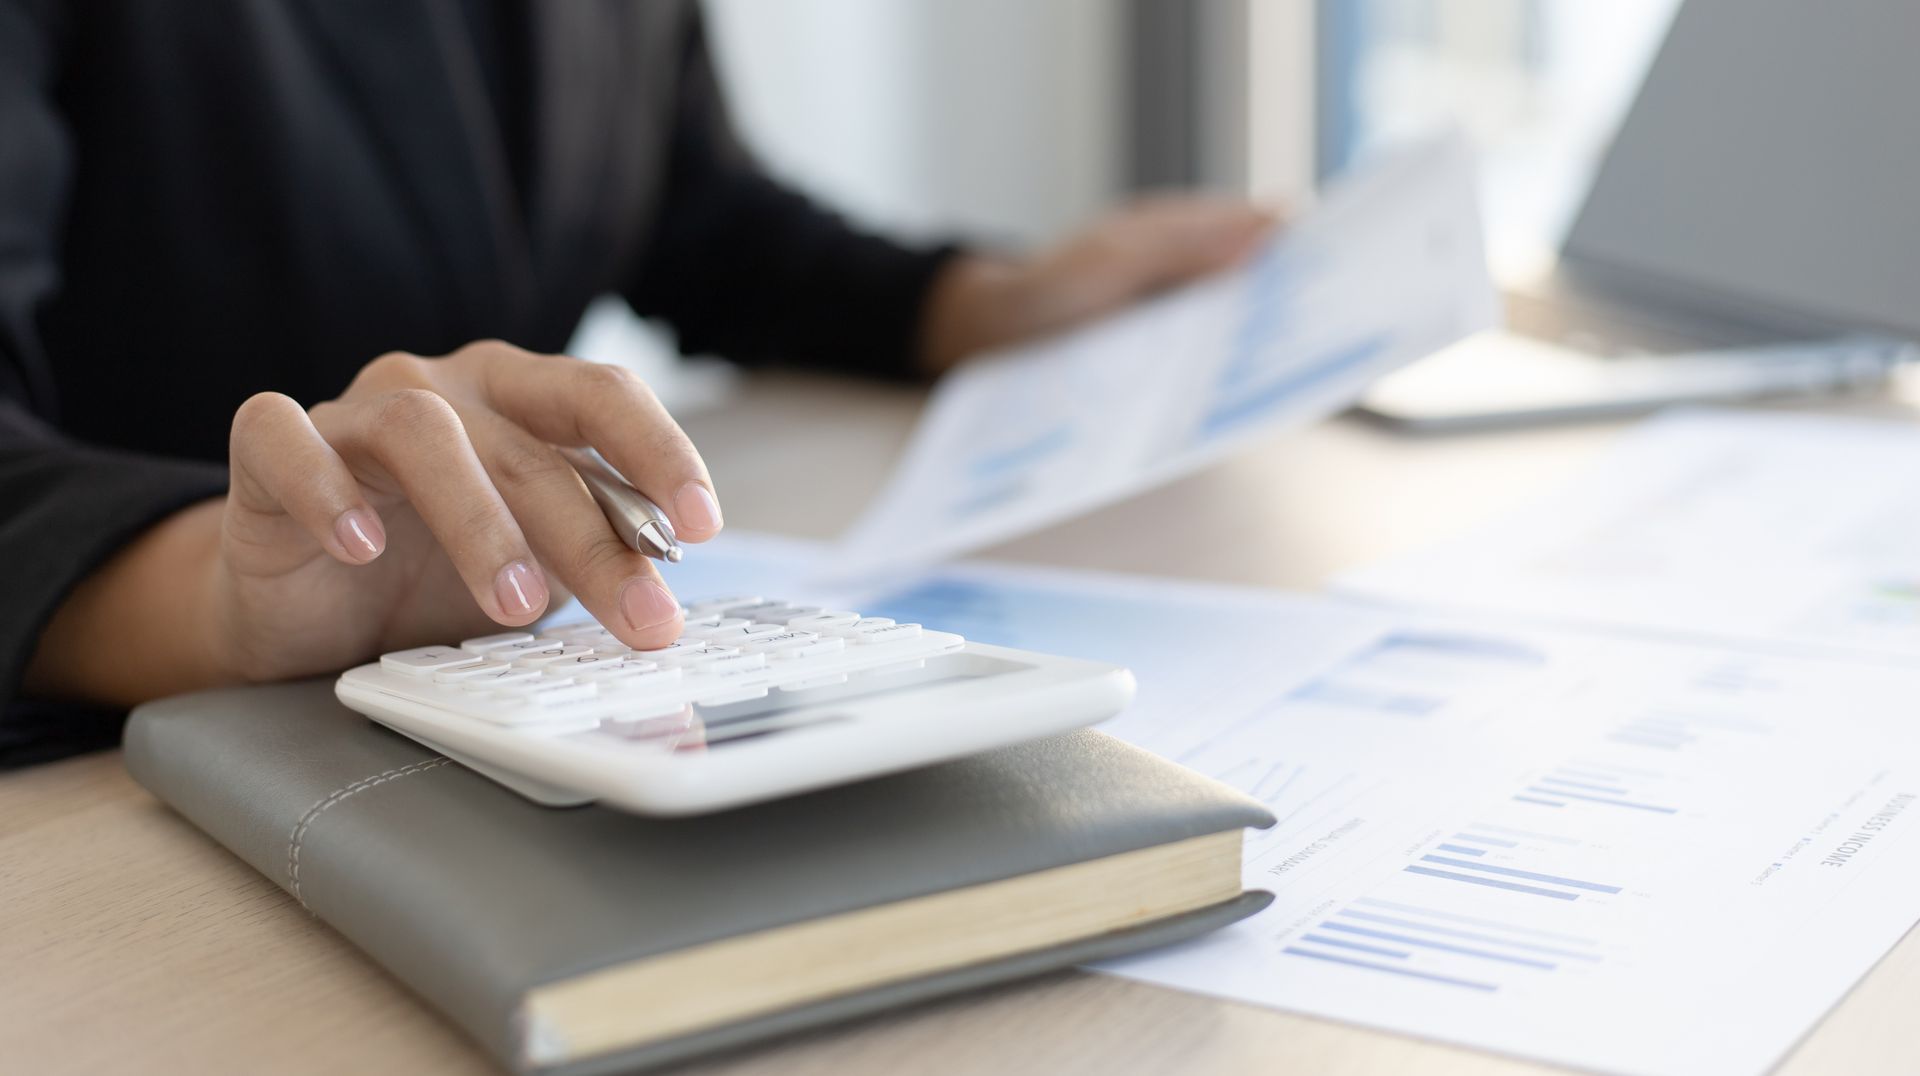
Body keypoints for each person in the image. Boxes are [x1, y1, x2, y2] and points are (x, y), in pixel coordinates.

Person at [0, 1, 1272, 763]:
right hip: (138, 753)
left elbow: (698, 214)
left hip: (494, 693)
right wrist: (217, 595)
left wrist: (985, 303)